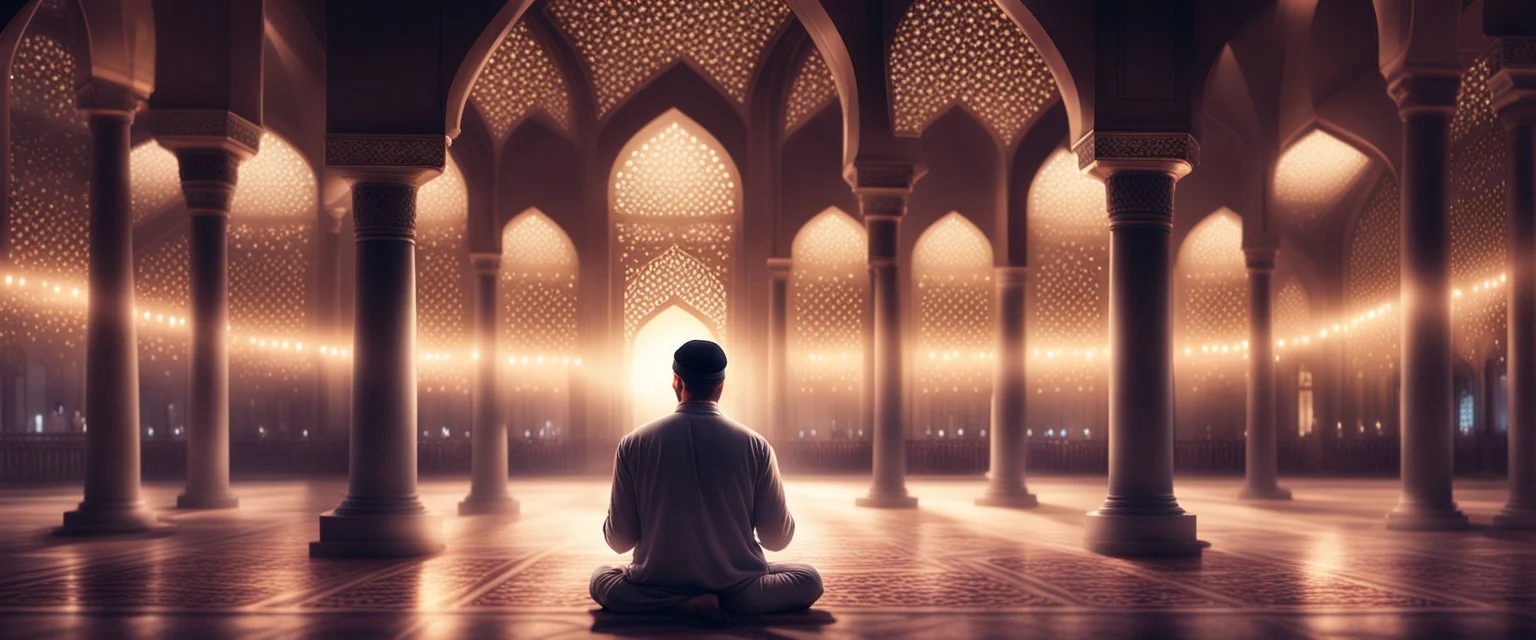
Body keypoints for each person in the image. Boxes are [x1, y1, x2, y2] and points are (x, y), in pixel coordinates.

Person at [590, 340, 822, 621]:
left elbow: (619, 541)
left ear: (677, 381)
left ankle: (679, 604)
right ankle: (724, 602)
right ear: (721, 385)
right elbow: (777, 539)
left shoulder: (634, 443)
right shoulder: (754, 445)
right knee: (808, 579)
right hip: (738, 586)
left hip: (656, 584)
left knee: (602, 579)